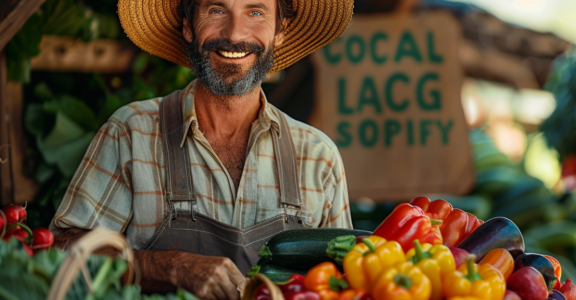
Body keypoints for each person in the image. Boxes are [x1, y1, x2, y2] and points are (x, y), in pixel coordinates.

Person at [48, 0, 354, 299]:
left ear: (280, 30)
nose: (235, 35)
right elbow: (63, 253)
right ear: (188, 26)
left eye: (256, 11)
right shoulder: (131, 133)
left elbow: (347, 281)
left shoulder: (317, 157)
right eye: (216, 10)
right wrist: (170, 267)